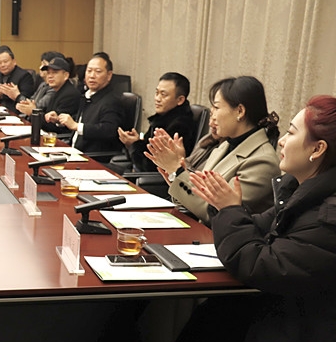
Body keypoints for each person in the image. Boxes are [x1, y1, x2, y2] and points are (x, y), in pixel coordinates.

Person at [185, 95, 336, 342]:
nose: (281, 140)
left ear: (318, 149)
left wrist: (229, 210)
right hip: (285, 322)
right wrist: (232, 210)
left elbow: (261, 263)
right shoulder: (302, 190)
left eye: (291, 132)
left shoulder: (328, 215)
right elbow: (258, 228)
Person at [146, 76, 280, 225]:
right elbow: (198, 197)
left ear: (240, 111)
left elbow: (215, 212)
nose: (213, 115)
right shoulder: (225, 146)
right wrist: (177, 174)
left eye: (216, 108)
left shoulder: (262, 161)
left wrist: (177, 171)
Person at [117, 72, 196, 172]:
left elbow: (150, 166)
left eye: (163, 95)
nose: (157, 99)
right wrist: (135, 142)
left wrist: (134, 145)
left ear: (180, 100)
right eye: (157, 93)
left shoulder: (180, 126)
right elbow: (147, 150)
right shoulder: (163, 117)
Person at [54, 52, 127, 153]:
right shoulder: (87, 95)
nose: (92, 76)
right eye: (89, 71)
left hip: (93, 156)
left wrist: (76, 126)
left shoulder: (112, 100)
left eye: (98, 71)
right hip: (74, 151)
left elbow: (109, 130)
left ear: (109, 75)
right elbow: (85, 120)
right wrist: (60, 120)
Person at [27, 56, 81, 132]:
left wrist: (33, 112)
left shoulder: (70, 94)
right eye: (48, 73)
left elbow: (54, 127)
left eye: (55, 72)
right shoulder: (57, 90)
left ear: (65, 75)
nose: (50, 76)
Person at [15, 51, 67, 117]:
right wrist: (24, 104)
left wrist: (17, 95)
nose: (40, 68)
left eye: (44, 64)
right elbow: (32, 101)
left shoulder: (54, 88)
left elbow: (38, 107)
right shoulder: (43, 84)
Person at [0, 45, 35, 113]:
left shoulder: (25, 76)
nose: (2, 65)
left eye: (5, 62)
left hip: (16, 113)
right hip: (0, 111)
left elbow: (25, 99)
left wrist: (4, 94)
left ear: (14, 61)